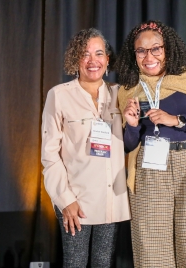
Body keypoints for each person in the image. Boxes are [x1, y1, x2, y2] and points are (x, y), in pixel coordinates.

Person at [115, 20, 186, 267]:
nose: (149, 56)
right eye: (141, 51)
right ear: (133, 55)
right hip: (150, 169)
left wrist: (176, 120)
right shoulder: (128, 90)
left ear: (168, 49)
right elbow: (129, 145)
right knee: (152, 249)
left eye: (156, 48)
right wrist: (131, 124)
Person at [41, 28, 131, 267]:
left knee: (104, 263)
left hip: (112, 199)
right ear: (75, 59)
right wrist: (64, 199)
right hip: (76, 200)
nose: (93, 61)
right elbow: (49, 155)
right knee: (75, 263)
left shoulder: (120, 94)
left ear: (108, 59)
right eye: (85, 54)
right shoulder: (58, 96)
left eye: (99, 53)